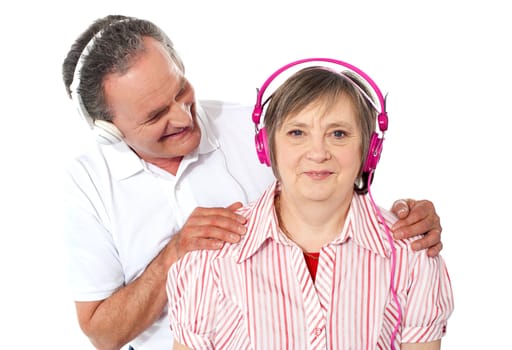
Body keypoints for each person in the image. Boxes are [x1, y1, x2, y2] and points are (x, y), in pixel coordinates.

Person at [61, 15, 444, 350]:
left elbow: (340, 180)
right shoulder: (88, 182)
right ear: (109, 131)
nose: (182, 117)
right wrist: (177, 252)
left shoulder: (259, 128)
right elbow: (102, 335)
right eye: (156, 114)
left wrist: (410, 220)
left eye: (181, 91)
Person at [166, 63, 454, 349]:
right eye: (297, 133)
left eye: (338, 133)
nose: (317, 153)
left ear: (369, 152)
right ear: (267, 148)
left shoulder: (412, 255)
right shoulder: (211, 258)